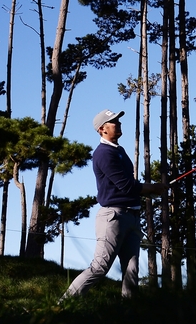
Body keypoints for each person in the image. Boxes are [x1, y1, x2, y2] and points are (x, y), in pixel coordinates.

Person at [59, 109, 167, 301]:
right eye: (113, 122)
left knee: (131, 269)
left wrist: (151, 190)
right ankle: (63, 304)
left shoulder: (119, 151)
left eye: (118, 121)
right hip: (113, 218)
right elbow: (125, 185)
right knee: (100, 266)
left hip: (132, 216)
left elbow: (129, 186)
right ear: (102, 129)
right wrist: (153, 188)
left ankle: (128, 313)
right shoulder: (103, 153)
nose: (118, 124)